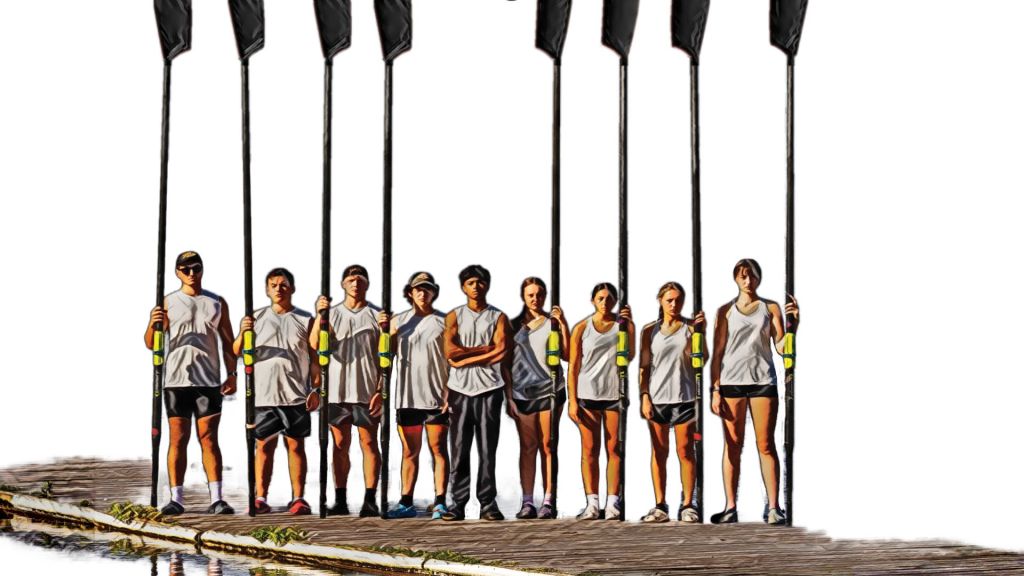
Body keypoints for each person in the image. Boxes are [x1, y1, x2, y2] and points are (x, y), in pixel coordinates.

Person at [144, 251, 237, 515]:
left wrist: (232, 374)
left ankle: (217, 498)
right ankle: (176, 499)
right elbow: (151, 343)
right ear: (178, 273)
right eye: (186, 270)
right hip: (177, 380)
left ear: (202, 269)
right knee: (178, 438)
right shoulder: (167, 302)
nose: (192, 274)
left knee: (209, 439)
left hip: (208, 381)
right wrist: (153, 322)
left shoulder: (217, 302)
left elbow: (228, 342)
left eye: (196, 268)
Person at [709, 259, 799, 525]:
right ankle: (730, 506)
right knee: (732, 444)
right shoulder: (725, 311)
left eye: (752, 276)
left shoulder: (770, 308)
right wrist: (715, 389)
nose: (748, 281)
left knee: (766, 444)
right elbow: (718, 352)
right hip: (731, 382)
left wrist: (794, 327)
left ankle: (773, 507)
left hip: (762, 381)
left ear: (759, 279)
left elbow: (782, 347)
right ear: (736, 278)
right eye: (743, 276)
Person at [234, 268, 320, 515]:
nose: (279, 289)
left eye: (283, 285)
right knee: (264, 447)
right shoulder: (255, 318)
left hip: (295, 394)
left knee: (296, 447)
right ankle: (260, 497)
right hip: (263, 395)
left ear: (292, 288)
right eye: (274, 285)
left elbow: (315, 359)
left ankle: (298, 498)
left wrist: (316, 388)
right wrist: (243, 332)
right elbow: (237, 351)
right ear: (267, 290)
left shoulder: (304, 320)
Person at [311, 264, 383, 517]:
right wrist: (320, 316)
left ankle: (370, 499)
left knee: (369, 442)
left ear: (367, 284)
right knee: (340, 444)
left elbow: (387, 357)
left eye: (360, 280)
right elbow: (315, 344)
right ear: (343, 284)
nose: (355, 284)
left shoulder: (377, 315)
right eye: (351, 280)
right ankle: (340, 499)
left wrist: (381, 390)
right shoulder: (331, 314)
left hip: (366, 390)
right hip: (336, 390)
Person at [441, 264, 510, 521]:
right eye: (471, 283)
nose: (476, 287)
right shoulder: (454, 316)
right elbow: (450, 352)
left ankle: (488, 503)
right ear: (463, 287)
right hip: (460, 390)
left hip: (490, 389)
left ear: (487, 285)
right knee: (459, 449)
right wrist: (484, 349)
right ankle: (458, 503)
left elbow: (501, 351)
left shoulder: (498, 317)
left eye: (480, 282)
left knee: (487, 450)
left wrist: (465, 358)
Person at [380, 272, 451, 519]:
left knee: (438, 449)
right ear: (410, 292)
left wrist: (450, 392)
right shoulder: (398, 322)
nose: (422, 293)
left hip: (436, 397)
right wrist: (384, 332)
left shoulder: (444, 321)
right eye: (418, 289)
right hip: (407, 398)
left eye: (427, 289)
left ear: (434, 292)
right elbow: (385, 358)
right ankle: (406, 502)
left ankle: (440, 501)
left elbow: (453, 360)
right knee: (410, 451)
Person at [637, 282, 706, 523]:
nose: (674, 304)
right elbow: (644, 367)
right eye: (669, 300)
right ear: (660, 301)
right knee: (659, 451)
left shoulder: (691, 328)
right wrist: (644, 396)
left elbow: (702, 359)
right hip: (657, 398)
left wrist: (701, 334)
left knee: (685, 450)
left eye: (678, 300)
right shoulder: (649, 331)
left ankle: (688, 504)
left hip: (684, 396)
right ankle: (660, 505)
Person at [567, 283, 635, 520]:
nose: (605, 302)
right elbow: (573, 366)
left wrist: (629, 325)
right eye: (601, 298)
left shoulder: (622, 325)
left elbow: (629, 355)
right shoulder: (582, 328)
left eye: (609, 298)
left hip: (614, 393)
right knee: (589, 449)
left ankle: (613, 502)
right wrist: (572, 400)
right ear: (593, 300)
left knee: (614, 448)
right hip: (587, 393)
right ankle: (592, 502)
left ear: (615, 301)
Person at [505, 277, 569, 520]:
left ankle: (549, 500)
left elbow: (567, 354)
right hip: (523, 392)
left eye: (539, 294)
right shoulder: (513, 326)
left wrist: (562, 324)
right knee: (528, 446)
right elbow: (505, 364)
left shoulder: (552, 322)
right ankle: (527, 501)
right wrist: (509, 396)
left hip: (550, 389)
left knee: (548, 445)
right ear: (523, 296)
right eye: (531, 294)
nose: (535, 299)